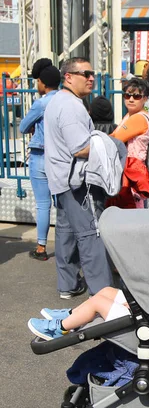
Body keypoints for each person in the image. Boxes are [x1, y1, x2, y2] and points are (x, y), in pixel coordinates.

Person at [44, 57, 113, 298]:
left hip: (61, 180)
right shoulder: (71, 105)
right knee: (91, 234)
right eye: (86, 73)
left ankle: (68, 284)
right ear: (69, 77)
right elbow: (80, 147)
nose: (92, 77)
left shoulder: (58, 101)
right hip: (78, 181)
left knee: (66, 233)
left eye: (92, 73)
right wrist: (108, 144)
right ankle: (102, 294)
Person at [19, 58, 60, 261]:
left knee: (43, 204)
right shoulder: (66, 99)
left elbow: (22, 127)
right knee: (61, 203)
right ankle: (65, 246)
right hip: (61, 158)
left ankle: (42, 248)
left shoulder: (41, 103)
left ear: (43, 83)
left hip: (40, 156)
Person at [109, 78, 149, 209]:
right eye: (127, 95)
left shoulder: (138, 118)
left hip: (133, 170)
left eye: (137, 96)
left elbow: (115, 138)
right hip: (130, 169)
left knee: (132, 210)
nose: (131, 99)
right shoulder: (131, 115)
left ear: (145, 99)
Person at [28, 287, 129, 341]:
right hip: (142, 306)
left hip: (139, 316)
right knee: (107, 291)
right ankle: (72, 316)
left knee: (98, 302)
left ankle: (60, 329)